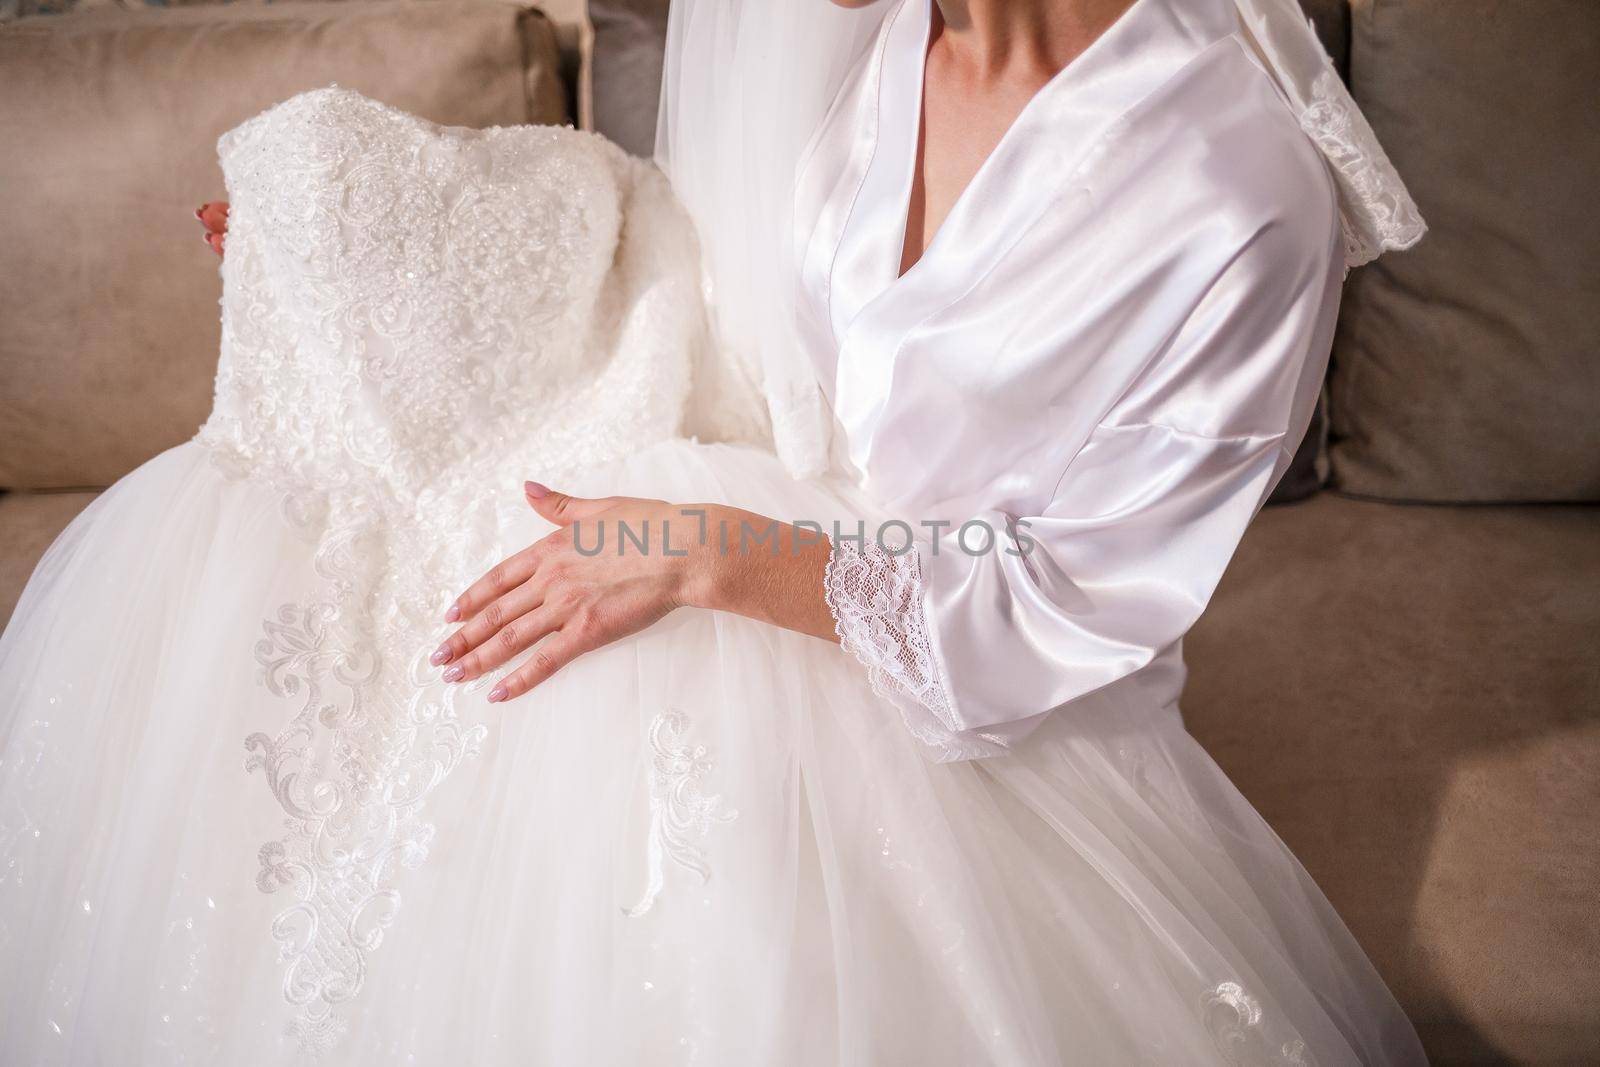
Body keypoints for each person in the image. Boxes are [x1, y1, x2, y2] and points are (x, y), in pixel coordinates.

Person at [1, 0, 1428, 1062]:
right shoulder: (867, 52)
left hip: (982, 700)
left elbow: (1086, 593)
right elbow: (679, 267)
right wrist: (361, 265)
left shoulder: (1236, 186)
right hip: (728, 531)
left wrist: (715, 555)